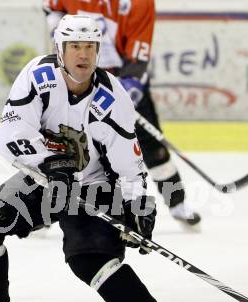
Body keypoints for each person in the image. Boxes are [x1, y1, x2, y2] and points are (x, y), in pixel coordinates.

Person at [0, 15, 183, 302]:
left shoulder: (112, 96)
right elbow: (11, 137)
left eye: (90, 47)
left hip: (95, 184)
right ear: (60, 50)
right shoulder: (37, 76)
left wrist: (140, 207)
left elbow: (129, 162)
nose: (83, 54)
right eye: (75, 46)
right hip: (45, 178)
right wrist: (49, 164)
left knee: (88, 257)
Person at [43, 0, 201, 226]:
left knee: (152, 147)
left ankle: (177, 203)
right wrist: (58, 34)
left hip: (120, 79)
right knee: (66, 144)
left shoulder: (139, 4)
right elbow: (52, 7)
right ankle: (48, 210)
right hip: (75, 78)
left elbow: (137, 56)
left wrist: (129, 87)